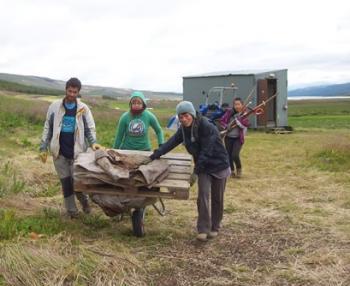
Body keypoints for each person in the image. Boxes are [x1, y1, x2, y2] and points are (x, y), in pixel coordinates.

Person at [149, 101, 230, 241]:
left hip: (219, 164)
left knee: (217, 198)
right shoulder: (184, 130)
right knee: (203, 196)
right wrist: (154, 155)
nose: (183, 119)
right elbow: (171, 143)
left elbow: (206, 151)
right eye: (180, 117)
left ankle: (215, 226)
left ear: (192, 114)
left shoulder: (206, 126)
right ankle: (203, 229)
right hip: (204, 167)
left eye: (186, 115)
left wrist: (195, 172)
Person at [39, 77, 101, 218]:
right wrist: (43, 147)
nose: (72, 94)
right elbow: (48, 127)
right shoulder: (55, 107)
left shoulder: (83, 109)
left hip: (77, 153)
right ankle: (72, 212)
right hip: (59, 153)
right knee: (66, 183)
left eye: (75, 92)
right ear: (66, 89)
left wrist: (93, 142)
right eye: (70, 91)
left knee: (77, 183)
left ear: (78, 92)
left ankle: (84, 202)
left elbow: (88, 129)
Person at [220, 97, 250, 178]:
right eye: (235, 104)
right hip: (228, 137)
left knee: (235, 155)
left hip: (238, 138)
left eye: (238, 104)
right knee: (228, 155)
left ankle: (239, 169)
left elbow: (245, 125)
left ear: (242, 105)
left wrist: (238, 120)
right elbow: (222, 121)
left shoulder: (244, 114)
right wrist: (226, 126)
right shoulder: (229, 112)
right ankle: (231, 171)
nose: (237, 106)